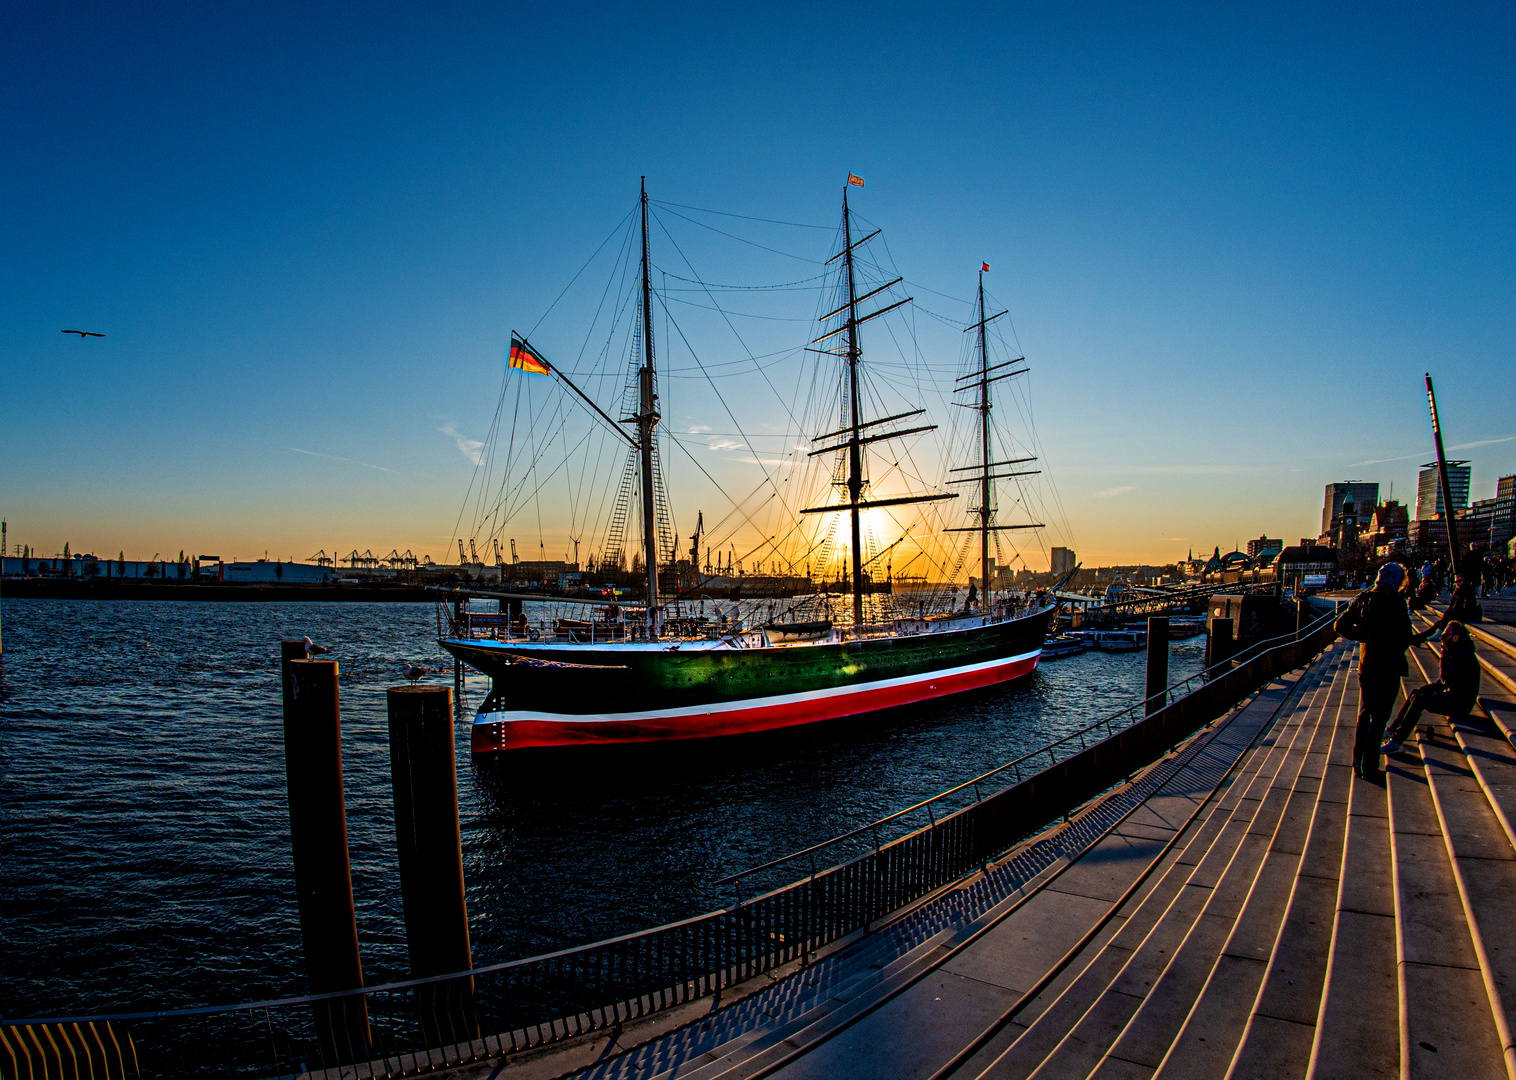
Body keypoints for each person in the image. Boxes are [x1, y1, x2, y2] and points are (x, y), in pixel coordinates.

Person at [1335, 562, 1413, 778]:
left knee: (1365, 713)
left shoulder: (1364, 598)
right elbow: (1406, 638)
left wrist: (1364, 637)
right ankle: (1370, 767)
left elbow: (1339, 626)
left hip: (1366, 665)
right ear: (1397, 581)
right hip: (1388, 666)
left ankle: (1357, 761)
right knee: (1379, 718)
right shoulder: (1396, 602)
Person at [1383, 621, 1480, 754]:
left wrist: (1444, 657)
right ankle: (1392, 729)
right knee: (1417, 693)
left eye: (1445, 636)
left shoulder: (1464, 656)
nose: (1442, 639)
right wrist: (1425, 690)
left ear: (1456, 637)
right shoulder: (1458, 651)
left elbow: (1445, 681)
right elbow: (1442, 683)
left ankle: (1396, 742)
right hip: (1454, 697)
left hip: (1460, 704)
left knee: (1419, 701)